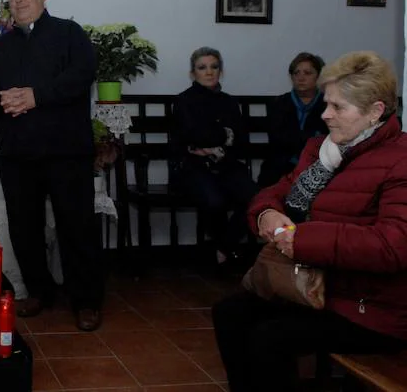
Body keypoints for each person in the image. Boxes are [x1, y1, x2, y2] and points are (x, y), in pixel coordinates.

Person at [212, 51, 407, 392]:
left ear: (376, 111)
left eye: (337, 107)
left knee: (269, 337)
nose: (325, 114)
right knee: (229, 314)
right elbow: (274, 192)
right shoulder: (324, 151)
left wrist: (300, 239)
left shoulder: (399, 160)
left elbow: (391, 247)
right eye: (326, 103)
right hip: (317, 288)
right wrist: (266, 214)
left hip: (372, 307)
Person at [0, 0, 103, 331]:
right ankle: (39, 290)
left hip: (66, 151)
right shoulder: (1, 46)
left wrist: (35, 95)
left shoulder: (69, 34)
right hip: (18, 153)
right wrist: (4, 101)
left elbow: (82, 75)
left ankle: (86, 300)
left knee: (76, 226)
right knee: (24, 227)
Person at [171, 47, 258, 268]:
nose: (209, 72)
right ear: (193, 73)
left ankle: (224, 247)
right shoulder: (184, 100)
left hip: (227, 164)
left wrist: (211, 142)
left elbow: (241, 139)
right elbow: (192, 134)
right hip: (193, 167)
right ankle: (224, 253)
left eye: (214, 67)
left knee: (255, 199)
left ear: (221, 71)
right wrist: (223, 134)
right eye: (202, 68)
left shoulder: (229, 102)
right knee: (214, 200)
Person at [257, 52, 328, 188]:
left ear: (318, 77)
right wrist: (310, 137)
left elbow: (326, 141)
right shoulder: (280, 103)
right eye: (296, 73)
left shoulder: (327, 104)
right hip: (281, 164)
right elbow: (277, 139)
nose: (301, 77)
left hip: (317, 165)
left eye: (307, 73)